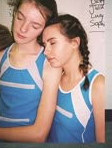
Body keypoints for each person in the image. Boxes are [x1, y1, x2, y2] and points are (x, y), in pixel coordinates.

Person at [0, 0, 62, 142]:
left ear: (45, 28)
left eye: (35, 25)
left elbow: (39, 134)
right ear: (14, 12)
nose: (23, 28)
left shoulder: (49, 65)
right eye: (19, 17)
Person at [42, 14, 105, 143]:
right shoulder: (54, 78)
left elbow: (102, 141)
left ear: (74, 43)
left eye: (52, 43)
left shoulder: (97, 84)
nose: (45, 51)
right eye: (44, 45)